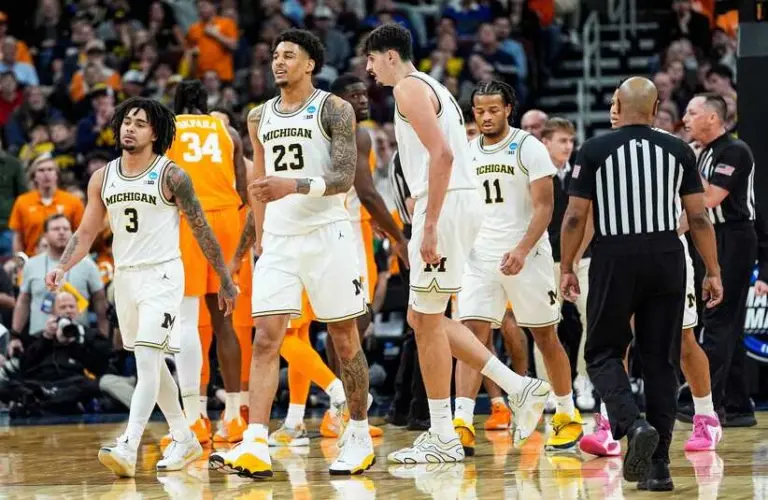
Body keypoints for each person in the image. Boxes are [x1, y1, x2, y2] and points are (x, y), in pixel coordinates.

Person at [363, 23, 551, 463]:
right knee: (422, 318)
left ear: (390, 55)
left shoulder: (408, 88)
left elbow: (443, 154)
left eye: (371, 59)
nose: (369, 69)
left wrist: (429, 224)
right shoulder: (433, 86)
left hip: (445, 206)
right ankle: (513, 389)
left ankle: (447, 434)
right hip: (458, 203)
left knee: (426, 319)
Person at [44, 97, 237, 477]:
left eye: (140, 123)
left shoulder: (172, 176)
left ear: (155, 133)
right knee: (151, 363)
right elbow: (87, 231)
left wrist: (225, 280)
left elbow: (202, 229)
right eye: (126, 121)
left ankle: (128, 445)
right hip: (126, 278)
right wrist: (63, 265)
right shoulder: (103, 177)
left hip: (162, 276)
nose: (129, 128)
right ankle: (184, 437)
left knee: (147, 359)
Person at [212, 29, 373, 478]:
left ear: (310, 64)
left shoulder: (334, 108)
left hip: (327, 234)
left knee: (344, 337)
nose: (278, 62)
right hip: (280, 241)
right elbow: (259, 189)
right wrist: (245, 250)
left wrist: (294, 185)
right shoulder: (258, 116)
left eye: (289, 55)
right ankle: (255, 444)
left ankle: (359, 435)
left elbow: (343, 177)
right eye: (275, 55)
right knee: (266, 339)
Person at [560, 77, 722, 490]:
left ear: (617, 104)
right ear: (655, 108)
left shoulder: (593, 149)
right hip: (667, 256)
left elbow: (575, 216)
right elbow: (699, 216)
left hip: (614, 256)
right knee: (660, 361)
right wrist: (713, 270)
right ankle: (659, 468)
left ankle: (633, 426)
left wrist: (567, 266)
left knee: (601, 353)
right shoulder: (678, 149)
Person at [452, 81, 582, 457]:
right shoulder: (467, 150)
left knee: (545, 336)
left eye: (493, 110)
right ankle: (462, 422)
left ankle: (566, 413)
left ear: (508, 108)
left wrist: (523, 249)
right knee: (472, 338)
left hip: (528, 256)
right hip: (480, 257)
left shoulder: (529, 147)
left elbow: (545, 207)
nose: (486, 117)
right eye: (479, 111)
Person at [164, 80, 248, 446]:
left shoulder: (168, 130)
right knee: (224, 319)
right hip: (227, 219)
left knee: (187, 319)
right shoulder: (228, 131)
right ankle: (234, 416)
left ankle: (195, 417)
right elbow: (242, 189)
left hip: (190, 220)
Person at [325, 73, 409, 376]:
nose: (362, 100)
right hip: (348, 233)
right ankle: (348, 395)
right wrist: (399, 238)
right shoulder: (355, 135)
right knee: (357, 317)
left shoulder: (326, 132)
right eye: (354, 95)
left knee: (340, 322)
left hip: (334, 228)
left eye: (363, 94)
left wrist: (375, 220)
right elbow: (368, 194)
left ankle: (341, 394)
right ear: (337, 102)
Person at [683, 93, 758, 427]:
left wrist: (687, 162)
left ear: (712, 118)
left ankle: (705, 402)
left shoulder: (734, 150)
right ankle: (738, 405)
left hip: (734, 237)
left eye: (692, 113)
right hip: (713, 235)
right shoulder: (704, 152)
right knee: (728, 325)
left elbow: (710, 198)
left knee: (717, 320)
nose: (685, 119)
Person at [540, 117, 595, 412]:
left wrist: (573, 259)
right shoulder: (536, 174)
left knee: (592, 318)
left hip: (582, 258)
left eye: (571, 141)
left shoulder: (581, 172)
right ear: (546, 142)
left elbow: (590, 219)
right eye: (562, 140)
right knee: (545, 323)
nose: (568, 146)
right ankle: (548, 386)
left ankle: (583, 380)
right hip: (546, 259)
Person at [10, 214, 107, 350]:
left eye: (66, 229)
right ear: (45, 235)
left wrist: (103, 339)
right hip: (40, 340)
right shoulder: (31, 265)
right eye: (56, 229)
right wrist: (15, 336)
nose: (61, 232)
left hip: (77, 339)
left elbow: (100, 303)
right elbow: (23, 302)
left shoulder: (88, 264)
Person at [9, 153, 84, 257]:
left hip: (64, 259)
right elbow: (17, 237)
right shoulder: (22, 202)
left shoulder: (73, 201)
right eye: (41, 170)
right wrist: (19, 260)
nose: (46, 174)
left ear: (57, 174)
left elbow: (80, 235)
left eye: (50, 169)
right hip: (32, 258)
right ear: (34, 176)